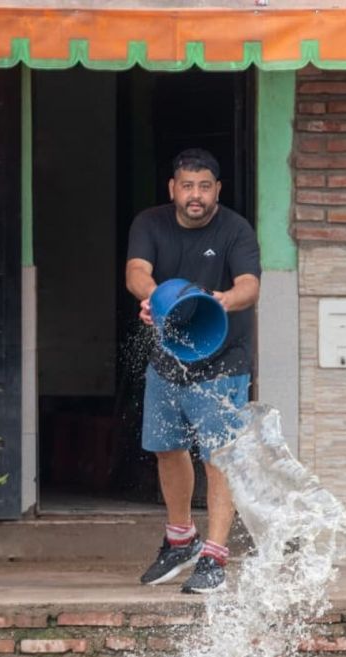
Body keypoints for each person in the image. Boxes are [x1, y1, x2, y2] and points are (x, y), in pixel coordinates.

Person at [125, 148, 261, 594]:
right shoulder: (150, 223)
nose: (196, 195)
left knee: (218, 456)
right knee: (167, 446)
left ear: (217, 189)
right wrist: (153, 298)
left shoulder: (236, 230)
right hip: (169, 355)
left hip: (224, 359)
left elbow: (250, 286)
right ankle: (181, 539)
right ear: (173, 188)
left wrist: (223, 300)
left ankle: (215, 555)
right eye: (188, 186)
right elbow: (136, 271)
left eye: (205, 186)